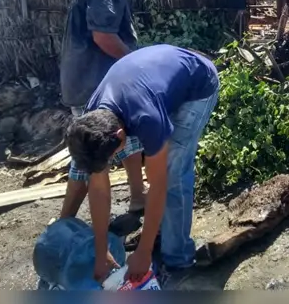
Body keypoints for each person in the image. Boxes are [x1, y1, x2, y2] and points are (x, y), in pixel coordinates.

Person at [65, 44, 220, 289]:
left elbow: (159, 185)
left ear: (119, 135)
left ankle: (178, 259)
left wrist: (143, 251)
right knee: (163, 171)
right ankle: (160, 234)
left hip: (198, 85)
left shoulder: (147, 119)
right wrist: (101, 248)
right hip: (152, 82)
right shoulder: (92, 120)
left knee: (174, 173)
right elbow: (98, 189)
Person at [58, 0, 157, 220]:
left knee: (128, 140)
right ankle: (66, 222)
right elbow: (103, 37)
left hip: (96, 80)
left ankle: (138, 198)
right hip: (95, 85)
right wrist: (134, 64)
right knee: (91, 155)